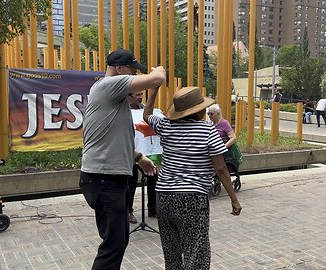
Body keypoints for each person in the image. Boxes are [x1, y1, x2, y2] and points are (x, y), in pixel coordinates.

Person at [79, 48, 166, 270]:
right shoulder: (109, 85)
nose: (135, 75)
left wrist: (139, 157)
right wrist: (159, 71)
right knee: (113, 245)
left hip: (108, 177)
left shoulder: (115, 100)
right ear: (118, 68)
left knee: (119, 240)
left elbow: (111, 137)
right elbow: (158, 78)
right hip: (104, 178)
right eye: (132, 70)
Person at [143, 86, 242, 270]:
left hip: (164, 196)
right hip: (192, 198)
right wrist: (234, 199)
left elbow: (146, 114)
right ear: (199, 111)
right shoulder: (208, 130)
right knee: (196, 252)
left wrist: (154, 89)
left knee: (172, 254)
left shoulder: (165, 125)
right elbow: (220, 169)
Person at [127, 91, 159, 224]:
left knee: (153, 178)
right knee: (131, 183)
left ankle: (153, 208)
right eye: (137, 94)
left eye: (141, 94)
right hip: (131, 154)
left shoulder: (148, 110)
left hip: (147, 153)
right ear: (129, 97)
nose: (140, 97)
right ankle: (128, 211)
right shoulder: (123, 112)